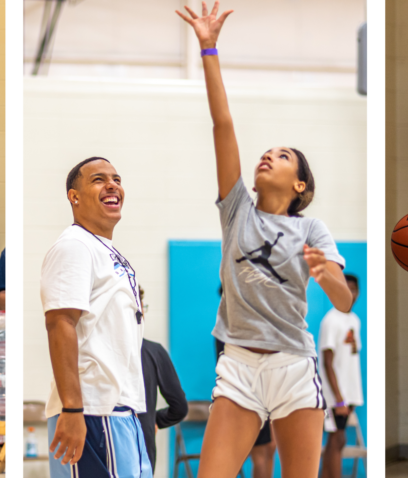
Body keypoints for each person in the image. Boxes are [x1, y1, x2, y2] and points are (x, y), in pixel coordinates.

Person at [177, 3, 354, 477]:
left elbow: (342, 300)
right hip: (237, 367)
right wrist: (208, 47)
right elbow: (223, 126)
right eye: (266, 153)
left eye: (282, 156)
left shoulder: (311, 230)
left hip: (294, 365)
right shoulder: (237, 211)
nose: (267, 157)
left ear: (301, 185)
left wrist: (324, 273)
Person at [41, 157, 152, 478]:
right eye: (99, 179)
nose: (112, 184)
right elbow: (60, 322)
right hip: (92, 410)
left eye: (116, 179)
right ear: (74, 196)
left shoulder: (105, 250)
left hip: (120, 411)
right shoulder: (74, 246)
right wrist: (73, 408)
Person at [214, 285, 277, 478]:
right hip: (246, 397)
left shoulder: (252, 324)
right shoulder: (227, 330)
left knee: (270, 450)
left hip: (266, 396)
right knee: (258, 455)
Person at [136, 286, 189, 471]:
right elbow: (179, 407)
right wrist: (153, 420)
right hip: (143, 443)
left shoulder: (100, 353)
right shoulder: (154, 352)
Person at [319, 274, 363, 478]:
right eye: (346, 288)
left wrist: (350, 395)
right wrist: (338, 398)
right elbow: (327, 363)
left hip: (349, 393)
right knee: (337, 439)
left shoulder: (354, 320)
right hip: (335, 396)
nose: (350, 293)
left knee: (338, 440)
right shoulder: (331, 320)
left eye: (354, 289)